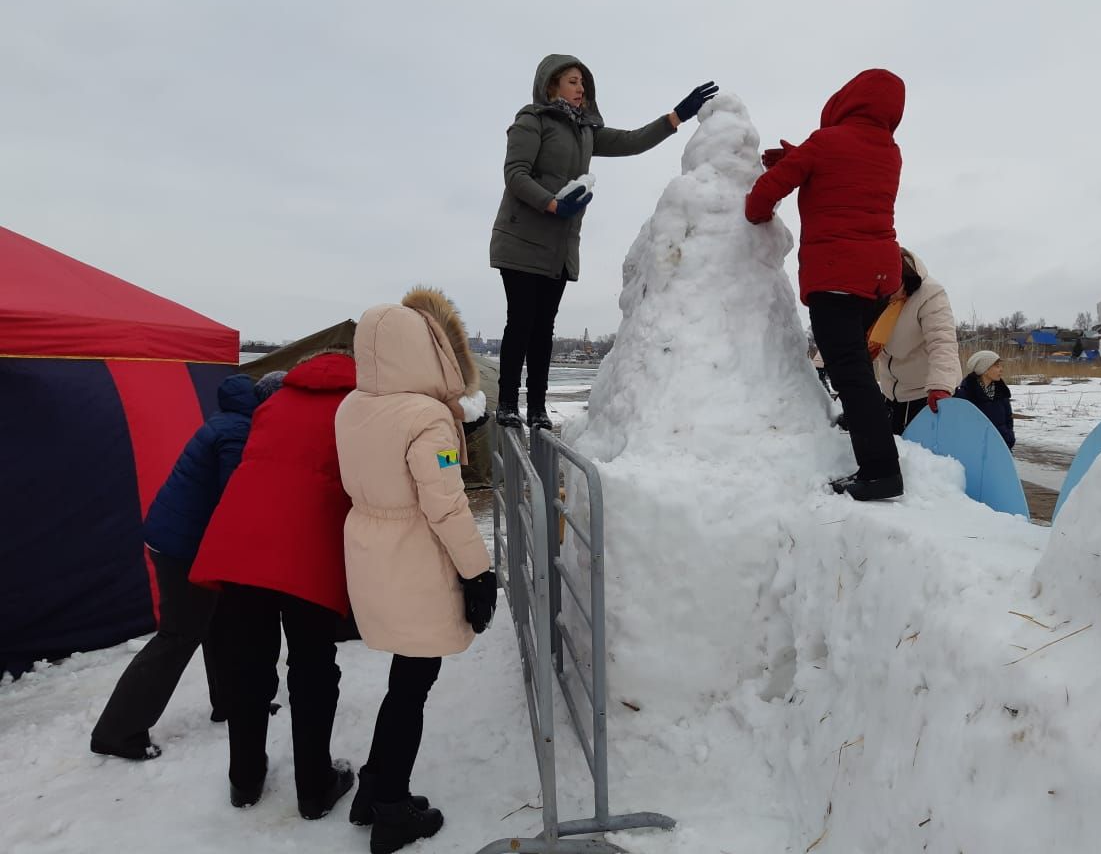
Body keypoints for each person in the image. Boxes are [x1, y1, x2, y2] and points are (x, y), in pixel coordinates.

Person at [335, 288, 495, 854]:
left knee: (404, 680)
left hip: (371, 553)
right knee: (412, 685)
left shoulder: (352, 405)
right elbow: (446, 505)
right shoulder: (425, 415)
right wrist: (478, 574)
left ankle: (374, 787)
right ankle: (392, 809)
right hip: (415, 558)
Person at [490, 54, 718, 430]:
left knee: (544, 327)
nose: (581, 89)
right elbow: (514, 174)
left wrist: (677, 115)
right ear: (551, 86)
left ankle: (536, 407)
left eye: (583, 83)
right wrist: (552, 203)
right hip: (522, 239)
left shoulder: (586, 131)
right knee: (521, 321)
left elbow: (632, 141)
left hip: (559, 248)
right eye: (573, 81)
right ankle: (508, 403)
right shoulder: (532, 122)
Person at [189, 351, 358, 820]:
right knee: (312, 668)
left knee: (246, 664)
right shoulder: (357, 407)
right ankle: (314, 786)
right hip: (307, 546)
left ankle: (244, 780)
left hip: (241, 540)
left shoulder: (273, 403)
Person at [746, 69, 906, 501]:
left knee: (850, 373)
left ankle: (880, 471)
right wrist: (801, 156)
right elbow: (846, 170)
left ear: (847, 99)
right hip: (879, 278)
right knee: (856, 369)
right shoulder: (890, 151)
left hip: (836, 275)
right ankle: (863, 433)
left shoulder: (826, 144)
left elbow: (764, 195)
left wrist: (757, 214)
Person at [90, 373, 258, 761]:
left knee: (218, 622)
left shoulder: (225, 420)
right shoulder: (237, 432)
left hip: (180, 539)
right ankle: (116, 731)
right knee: (179, 635)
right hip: (184, 548)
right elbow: (236, 496)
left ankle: (230, 702)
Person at [875, 248, 962, 434]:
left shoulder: (930, 293)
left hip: (927, 393)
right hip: (891, 393)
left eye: (892, 289)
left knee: (922, 456)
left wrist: (940, 386)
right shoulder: (877, 295)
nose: (888, 297)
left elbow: (942, 342)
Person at [954, 350, 1015, 449]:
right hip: (974, 450)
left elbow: (1008, 419)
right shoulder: (965, 394)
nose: (1001, 369)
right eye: (997, 366)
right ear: (985, 369)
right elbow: (960, 425)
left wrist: (1009, 437)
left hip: (1001, 449)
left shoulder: (1001, 393)